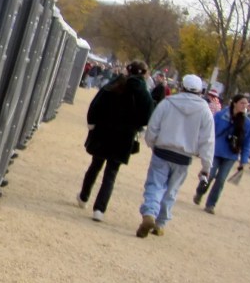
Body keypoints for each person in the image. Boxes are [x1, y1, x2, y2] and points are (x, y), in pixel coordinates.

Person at [136, 73, 216, 238]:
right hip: (184, 157)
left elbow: (153, 126)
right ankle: (160, 223)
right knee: (171, 191)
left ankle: (150, 211)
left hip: (162, 150)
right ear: (200, 91)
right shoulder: (205, 111)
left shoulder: (168, 103)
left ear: (181, 87)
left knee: (155, 185)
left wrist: (152, 143)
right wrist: (206, 166)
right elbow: (207, 141)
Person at [78, 60, 155, 221]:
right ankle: (99, 209)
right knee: (111, 173)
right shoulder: (144, 93)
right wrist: (136, 125)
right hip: (125, 137)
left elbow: (97, 103)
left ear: (128, 70)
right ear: (144, 74)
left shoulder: (116, 83)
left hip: (104, 131)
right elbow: (147, 117)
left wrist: (92, 122)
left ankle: (84, 196)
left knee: (95, 165)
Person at [194, 93, 250, 213]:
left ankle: (211, 204)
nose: (244, 106)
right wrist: (203, 147)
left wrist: (244, 161)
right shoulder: (221, 115)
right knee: (209, 175)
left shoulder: (247, 122)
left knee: (221, 180)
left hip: (231, 154)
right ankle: (200, 192)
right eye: (242, 103)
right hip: (215, 151)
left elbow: (247, 142)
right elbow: (210, 131)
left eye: (246, 104)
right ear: (235, 103)